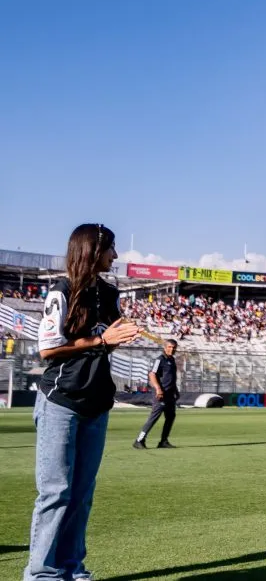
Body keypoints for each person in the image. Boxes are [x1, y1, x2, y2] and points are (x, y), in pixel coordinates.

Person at [26, 224, 140, 581]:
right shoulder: (61, 292)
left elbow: (109, 338)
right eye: (111, 249)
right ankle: (42, 573)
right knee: (55, 492)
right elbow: (48, 350)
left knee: (81, 494)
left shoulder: (108, 292)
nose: (116, 257)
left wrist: (119, 335)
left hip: (97, 401)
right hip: (61, 400)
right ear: (92, 251)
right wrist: (101, 341)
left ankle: (72, 568)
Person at [133, 339, 179, 449]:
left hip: (170, 395)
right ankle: (139, 440)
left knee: (171, 416)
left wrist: (176, 391)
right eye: (169, 347)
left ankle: (163, 441)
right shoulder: (160, 359)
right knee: (154, 416)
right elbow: (152, 374)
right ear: (165, 347)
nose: (171, 349)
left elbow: (171, 378)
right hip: (161, 394)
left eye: (174, 347)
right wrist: (158, 388)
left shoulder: (172, 360)